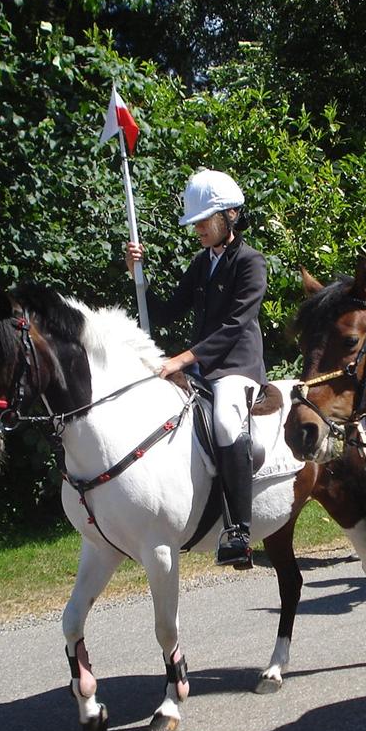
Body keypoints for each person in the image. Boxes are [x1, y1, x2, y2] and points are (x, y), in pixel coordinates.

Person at [125, 169, 267, 569]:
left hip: (238, 366)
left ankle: (239, 530)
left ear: (231, 216)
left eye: (205, 221)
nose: (198, 229)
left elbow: (234, 326)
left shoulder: (251, 263)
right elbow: (165, 310)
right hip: (202, 367)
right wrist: (138, 276)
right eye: (196, 222)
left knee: (224, 421)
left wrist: (183, 359)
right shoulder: (201, 262)